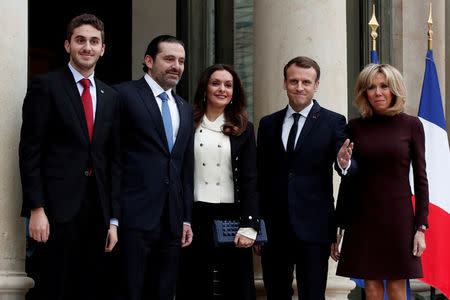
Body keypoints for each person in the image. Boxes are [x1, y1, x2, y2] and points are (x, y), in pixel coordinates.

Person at [19, 14, 120, 300]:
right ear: (67, 45)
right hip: (55, 211)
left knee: (91, 288)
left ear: (102, 48)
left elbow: (113, 161)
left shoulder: (111, 96)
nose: (86, 47)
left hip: (97, 212)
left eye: (93, 41)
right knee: (54, 287)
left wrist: (113, 220)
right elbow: (30, 152)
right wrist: (36, 209)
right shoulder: (45, 86)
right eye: (80, 40)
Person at [257, 56, 354, 300]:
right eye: (294, 81)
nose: (300, 87)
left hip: (314, 228)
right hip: (274, 227)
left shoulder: (334, 122)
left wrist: (343, 163)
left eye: (306, 82)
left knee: (313, 294)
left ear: (316, 85)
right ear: (285, 83)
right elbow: (260, 175)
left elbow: (345, 166)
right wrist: (256, 225)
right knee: (275, 293)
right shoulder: (267, 124)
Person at [332, 63, 429, 300]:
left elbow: (421, 179)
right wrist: (339, 225)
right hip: (362, 216)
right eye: (371, 87)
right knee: (371, 286)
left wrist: (421, 227)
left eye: (384, 86)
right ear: (363, 93)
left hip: (399, 217)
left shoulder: (411, 125)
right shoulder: (354, 127)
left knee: (397, 286)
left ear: (394, 89)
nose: (378, 92)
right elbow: (348, 179)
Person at [113, 35, 194, 300]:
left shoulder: (184, 108)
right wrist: (112, 218)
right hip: (132, 218)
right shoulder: (122, 95)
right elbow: (111, 159)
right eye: (169, 59)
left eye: (181, 61)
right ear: (149, 61)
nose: (176, 66)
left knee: (163, 292)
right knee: (129, 291)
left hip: (171, 222)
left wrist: (185, 217)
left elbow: (185, 167)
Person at [176, 64, 260, 300]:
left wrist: (249, 225)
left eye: (228, 85)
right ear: (205, 88)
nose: (222, 89)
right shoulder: (187, 122)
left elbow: (250, 179)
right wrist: (183, 217)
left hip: (232, 217)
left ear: (235, 92)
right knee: (193, 284)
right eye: (216, 83)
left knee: (237, 286)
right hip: (195, 215)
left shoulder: (244, 127)